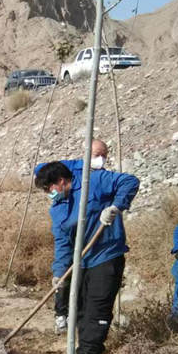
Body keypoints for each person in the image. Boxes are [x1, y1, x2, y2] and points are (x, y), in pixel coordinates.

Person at [34, 159, 140, 354]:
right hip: (81, 260)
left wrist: (115, 207)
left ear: (61, 181)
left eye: (49, 188)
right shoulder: (58, 209)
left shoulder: (94, 181)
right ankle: (82, 348)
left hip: (107, 254)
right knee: (80, 306)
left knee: (97, 305)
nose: (48, 194)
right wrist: (59, 272)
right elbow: (62, 242)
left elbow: (130, 181)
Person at [49, 139, 111, 333]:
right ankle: (61, 315)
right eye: (96, 155)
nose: (100, 159)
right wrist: (81, 163)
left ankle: (77, 322)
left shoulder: (102, 179)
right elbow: (42, 168)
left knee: (85, 289)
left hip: (93, 247)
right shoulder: (72, 175)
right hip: (70, 241)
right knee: (63, 277)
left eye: (104, 155)